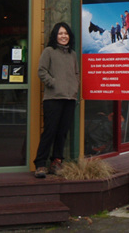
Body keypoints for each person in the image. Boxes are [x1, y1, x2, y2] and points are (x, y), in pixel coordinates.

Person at [34, 22, 80, 178]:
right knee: (50, 131)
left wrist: (74, 88)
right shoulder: (49, 51)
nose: (63, 36)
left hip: (69, 99)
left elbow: (76, 74)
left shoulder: (72, 54)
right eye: (60, 33)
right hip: (53, 98)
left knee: (62, 133)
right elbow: (41, 71)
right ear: (55, 35)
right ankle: (40, 164)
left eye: (66, 33)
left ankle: (56, 162)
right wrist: (53, 83)